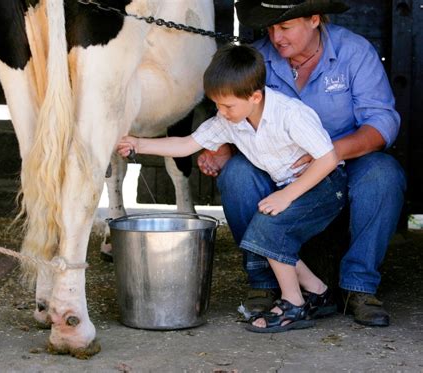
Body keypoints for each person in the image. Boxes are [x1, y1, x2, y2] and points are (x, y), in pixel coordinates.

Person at [197, 0, 406, 327]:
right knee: (237, 174)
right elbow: (231, 115)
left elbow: (382, 123)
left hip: (344, 162)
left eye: (284, 27)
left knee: (384, 174)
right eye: (270, 27)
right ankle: (263, 283)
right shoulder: (258, 57)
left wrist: (332, 151)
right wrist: (220, 149)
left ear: (314, 19)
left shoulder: (354, 52)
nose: (275, 36)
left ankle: (358, 287)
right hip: (280, 169)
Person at [118, 43, 348, 333]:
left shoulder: (290, 114)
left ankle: (294, 303)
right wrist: (140, 143)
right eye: (217, 104)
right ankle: (318, 291)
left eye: (227, 105)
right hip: (292, 185)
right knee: (262, 228)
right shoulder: (231, 120)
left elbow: (328, 158)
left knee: (269, 227)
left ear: (255, 96)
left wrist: (286, 195)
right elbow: (187, 144)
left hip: (325, 185)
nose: (221, 112)